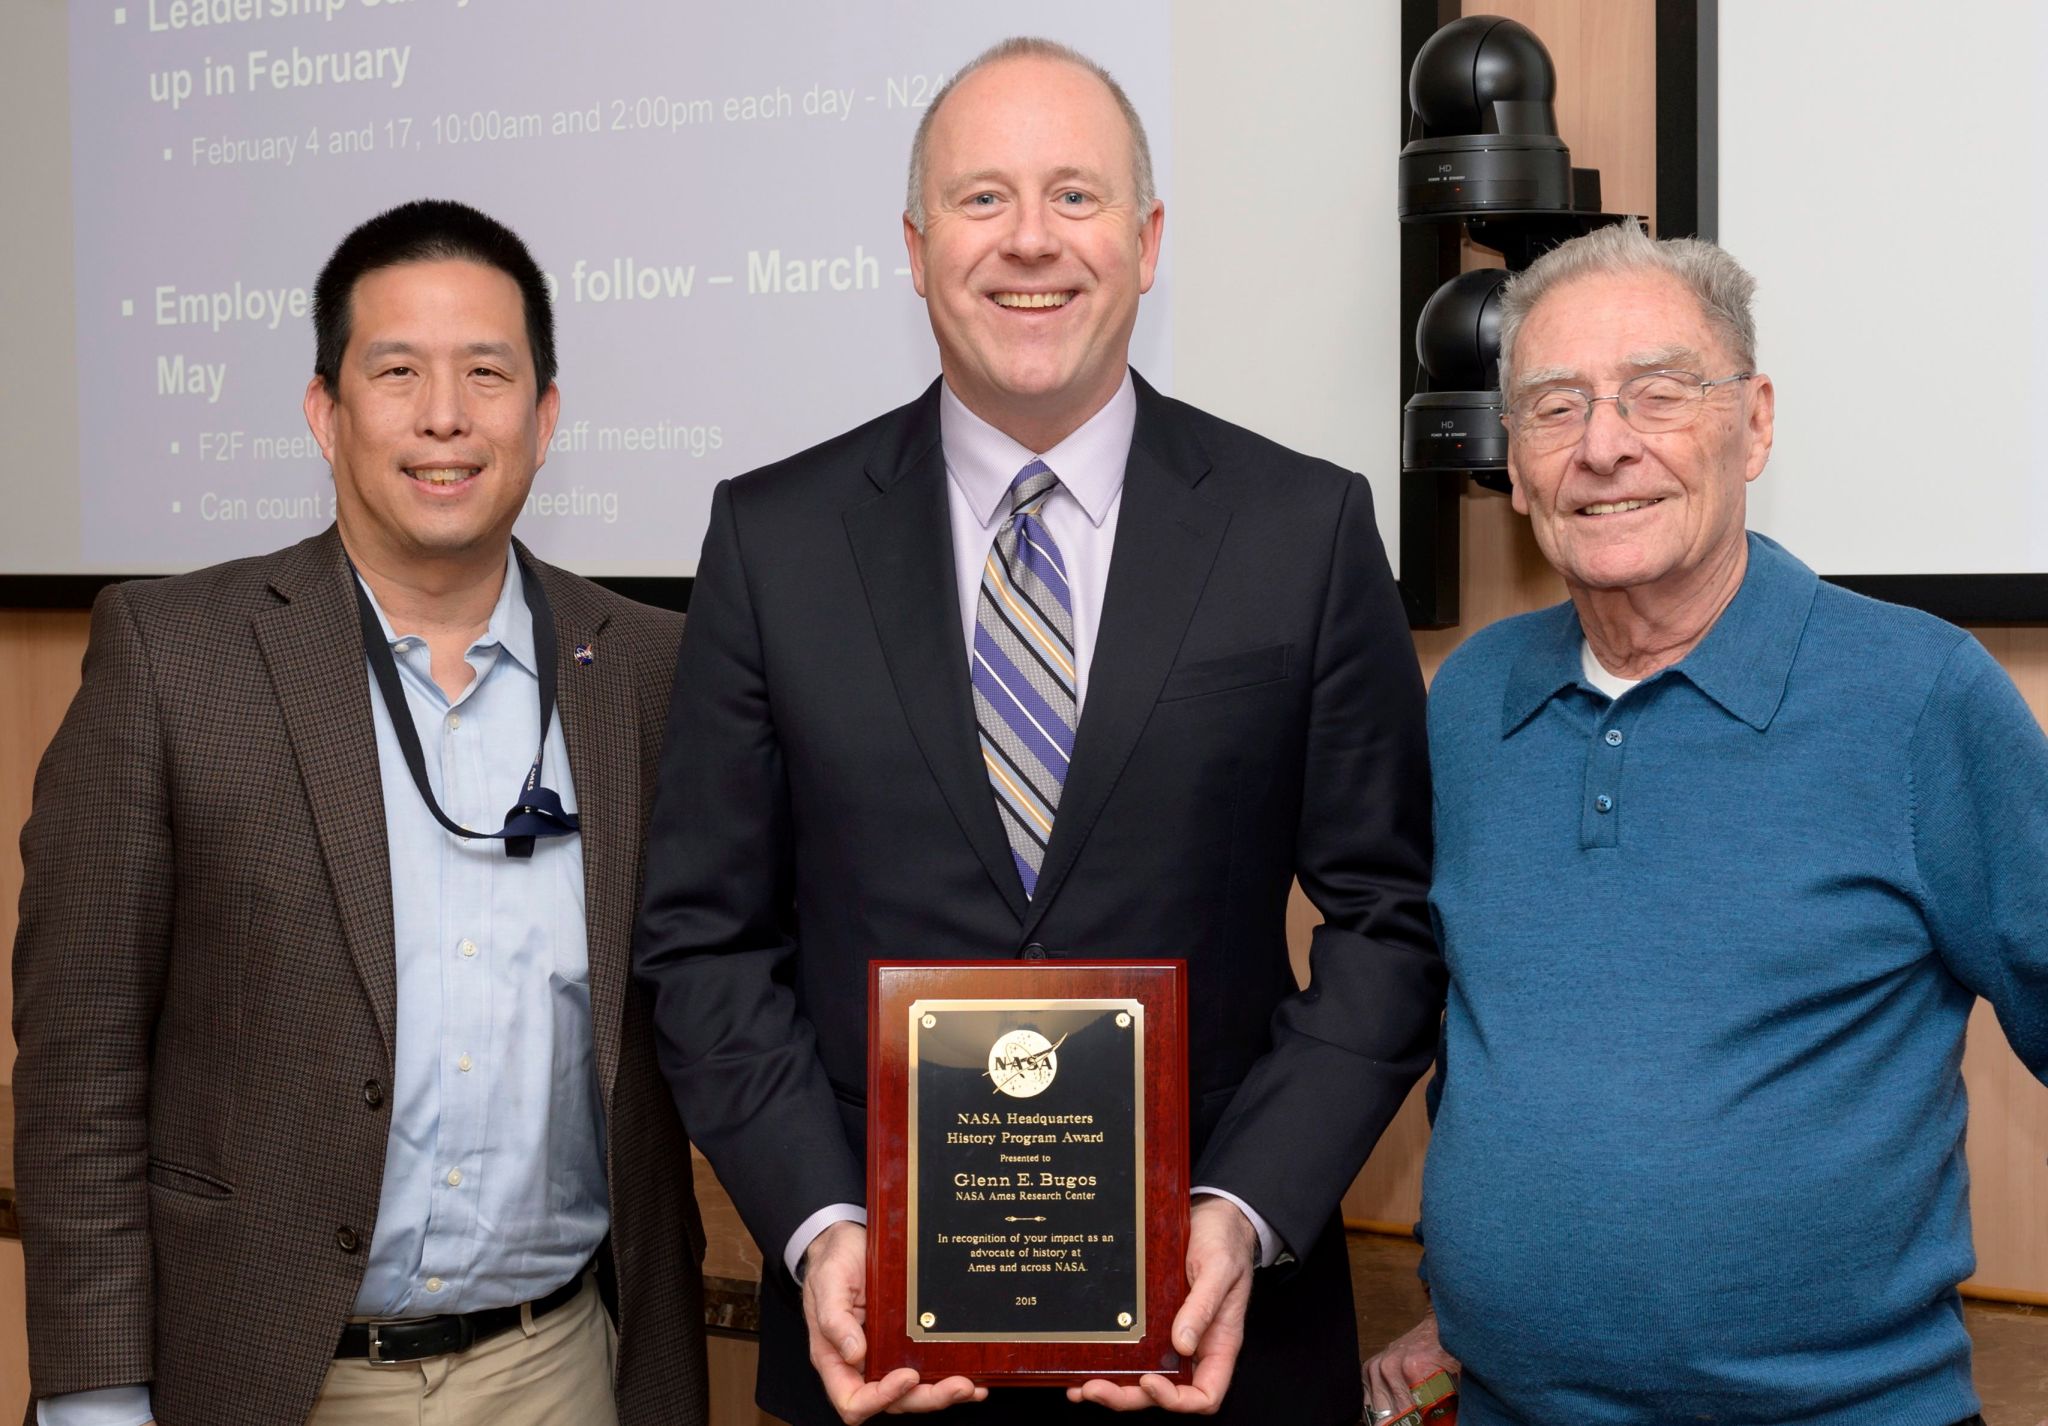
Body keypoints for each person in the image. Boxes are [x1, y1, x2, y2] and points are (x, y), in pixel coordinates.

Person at [634, 35, 1441, 1426]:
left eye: (1075, 196)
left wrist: (1242, 1209)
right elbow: (703, 939)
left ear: (1147, 236)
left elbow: (1389, 918)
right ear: (913, 242)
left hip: (1217, 1347)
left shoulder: (1301, 529)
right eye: (981, 198)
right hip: (879, 1355)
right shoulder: (772, 541)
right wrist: (824, 1223)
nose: (1029, 243)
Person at [14, 200, 707, 1426]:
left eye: (486, 374)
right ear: (325, 412)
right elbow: (81, 1062)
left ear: (544, 417)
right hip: (266, 1375)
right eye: (397, 373)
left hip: (560, 1368)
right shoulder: (178, 657)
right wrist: (96, 1394)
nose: (444, 416)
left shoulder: (647, 671)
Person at [1363, 223, 2048, 1426]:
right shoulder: (1469, 703)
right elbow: (1483, 1043)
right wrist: (1476, 1295)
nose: (1604, 446)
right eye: (1554, 406)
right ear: (1513, 465)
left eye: (1656, 394)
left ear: (1755, 421)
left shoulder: (1921, 700)